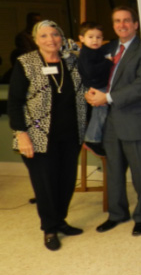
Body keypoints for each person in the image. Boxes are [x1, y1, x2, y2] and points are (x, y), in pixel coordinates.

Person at [8, 20, 87, 250]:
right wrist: (22, 135)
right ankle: (49, 228)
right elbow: (15, 103)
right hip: (38, 137)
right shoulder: (26, 63)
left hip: (70, 135)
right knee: (46, 185)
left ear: (61, 37)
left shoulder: (71, 61)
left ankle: (60, 220)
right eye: (43, 36)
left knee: (66, 182)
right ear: (35, 40)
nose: (50, 39)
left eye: (54, 34)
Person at [88, 6, 141, 237]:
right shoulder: (107, 48)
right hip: (109, 122)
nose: (122, 25)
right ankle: (117, 214)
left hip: (135, 121)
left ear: (136, 24)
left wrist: (106, 98)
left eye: (126, 20)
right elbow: (93, 71)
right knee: (114, 173)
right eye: (117, 21)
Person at [77, 21, 112, 157]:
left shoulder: (96, 51)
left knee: (102, 112)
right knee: (100, 112)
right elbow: (91, 71)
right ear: (82, 38)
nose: (95, 40)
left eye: (98, 37)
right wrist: (108, 63)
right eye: (90, 37)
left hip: (99, 85)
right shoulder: (87, 53)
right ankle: (92, 139)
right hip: (97, 87)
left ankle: (96, 138)